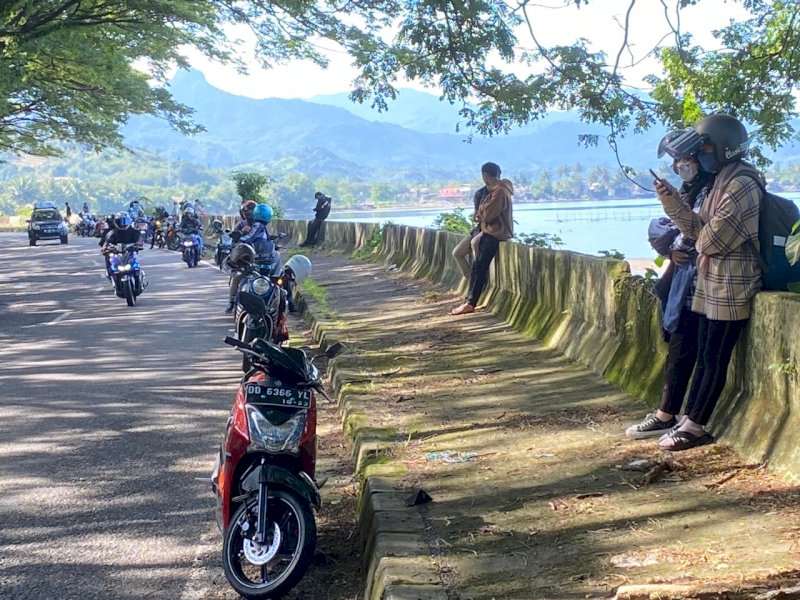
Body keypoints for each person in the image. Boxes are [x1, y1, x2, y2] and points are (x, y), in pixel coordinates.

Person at [652, 113, 762, 451]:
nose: (699, 157)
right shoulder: (720, 180)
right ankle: (689, 419)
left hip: (733, 284)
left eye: (704, 148)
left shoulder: (742, 183)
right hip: (712, 281)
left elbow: (710, 240)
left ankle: (697, 425)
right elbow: (695, 229)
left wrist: (698, 232)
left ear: (724, 148)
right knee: (704, 355)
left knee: (715, 356)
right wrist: (671, 199)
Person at [626, 133, 715, 439]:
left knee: (688, 349)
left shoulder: (712, 189)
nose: (681, 166)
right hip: (685, 278)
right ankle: (669, 412)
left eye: (686, 160)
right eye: (678, 162)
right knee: (679, 346)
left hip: (701, 280)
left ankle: (671, 416)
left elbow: (698, 229)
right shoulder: (691, 190)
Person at [451, 162, 514, 316]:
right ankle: (469, 299)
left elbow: (489, 215)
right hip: (488, 230)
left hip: (494, 232)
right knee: (477, 265)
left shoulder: (499, 191)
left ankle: (471, 302)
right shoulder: (494, 190)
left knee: (479, 266)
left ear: (485, 176)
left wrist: (481, 212)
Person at [226, 203, 274, 313]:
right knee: (237, 276)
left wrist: (274, 242)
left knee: (277, 279)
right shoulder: (244, 224)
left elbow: (266, 240)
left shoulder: (261, 226)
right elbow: (248, 238)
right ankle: (231, 301)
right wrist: (239, 237)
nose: (248, 213)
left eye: (251, 211)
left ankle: (284, 302)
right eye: (247, 211)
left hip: (261, 257)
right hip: (248, 257)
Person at [452, 186, 489, 280]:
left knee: (475, 244)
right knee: (457, 253)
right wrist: (480, 216)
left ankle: (478, 281)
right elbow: (476, 217)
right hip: (479, 228)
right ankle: (472, 281)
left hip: (491, 230)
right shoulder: (480, 193)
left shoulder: (500, 192)